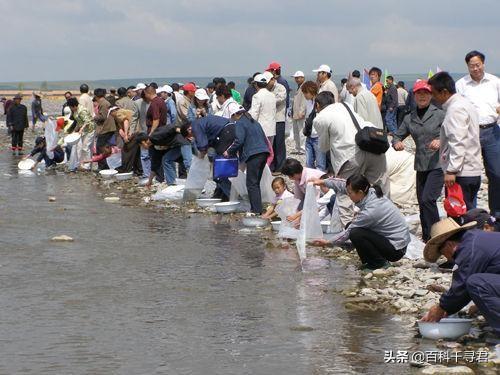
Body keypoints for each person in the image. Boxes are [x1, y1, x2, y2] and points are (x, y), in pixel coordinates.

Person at [313, 91, 388, 227]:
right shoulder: (346, 105)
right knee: (377, 190)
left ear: (317, 105)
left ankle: (350, 232)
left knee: (346, 193)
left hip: (350, 155)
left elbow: (323, 147)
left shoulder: (320, 118)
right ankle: (383, 225)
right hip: (374, 147)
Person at [421, 218, 500, 340]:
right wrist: (481, 304)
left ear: (449, 245)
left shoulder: (469, 249)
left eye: (443, 253)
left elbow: (462, 286)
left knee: (476, 283)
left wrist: (441, 308)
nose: (447, 258)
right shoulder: (475, 239)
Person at [312, 174, 410, 270]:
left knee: (355, 232)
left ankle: (379, 263)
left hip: (396, 249)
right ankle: (369, 262)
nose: (348, 195)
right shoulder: (370, 191)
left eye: (350, 193)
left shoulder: (371, 210)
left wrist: (328, 242)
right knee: (351, 227)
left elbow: (349, 232)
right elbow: (342, 184)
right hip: (390, 240)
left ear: (359, 192)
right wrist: (322, 182)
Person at [392, 80, 445, 242]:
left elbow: (453, 134)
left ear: (431, 95)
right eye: (419, 93)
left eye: (425, 93)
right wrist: (397, 143)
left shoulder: (440, 114)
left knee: (429, 199)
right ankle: (427, 236)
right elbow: (397, 135)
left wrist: (440, 140)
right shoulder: (410, 117)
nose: (422, 96)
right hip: (421, 165)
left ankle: (439, 236)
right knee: (422, 202)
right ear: (414, 95)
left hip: (438, 164)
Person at [428, 72, 482, 210]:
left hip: (461, 173)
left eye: (434, 93)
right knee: (470, 213)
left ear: (444, 92)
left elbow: (458, 141)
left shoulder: (455, 109)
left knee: (459, 216)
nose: (433, 97)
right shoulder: (465, 103)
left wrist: (452, 170)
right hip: (471, 169)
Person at [456, 50, 500, 218]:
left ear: (483, 64)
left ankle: (496, 213)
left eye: (478, 65)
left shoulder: (495, 82)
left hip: (492, 131)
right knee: (469, 176)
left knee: (496, 173)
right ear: (467, 66)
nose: (475, 69)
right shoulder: (461, 84)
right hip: (470, 133)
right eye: (471, 66)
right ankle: (472, 216)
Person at [224, 103, 270, 213]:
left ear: (235, 114)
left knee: (251, 184)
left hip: (254, 155)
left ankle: (256, 211)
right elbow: (264, 139)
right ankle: (257, 208)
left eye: (232, 116)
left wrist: (229, 151)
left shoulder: (240, 123)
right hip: (263, 153)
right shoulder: (254, 122)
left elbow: (239, 140)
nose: (232, 119)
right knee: (255, 183)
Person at [301, 81, 327, 171]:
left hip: (318, 136)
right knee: (309, 163)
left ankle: (321, 182)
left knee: (320, 163)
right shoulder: (308, 102)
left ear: (311, 91)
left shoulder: (319, 102)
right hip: (309, 135)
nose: (305, 95)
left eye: (305, 93)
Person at [266, 71, 287, 174]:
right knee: (271, 144)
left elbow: (280, 99)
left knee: (279, 143)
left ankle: (280, 167)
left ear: (273, 79)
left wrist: (268, 99)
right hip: (270, 120)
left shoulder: (280, 88)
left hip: (279, 119)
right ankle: (272, 166)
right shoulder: (266, 89)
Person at [109, 107, 142, 174]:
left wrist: (126, 134)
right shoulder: (116, 117)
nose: (110, 115)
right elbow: (120, 129)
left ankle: (126, 168)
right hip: (136, 132)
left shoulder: (118, 114)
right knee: (135, 152)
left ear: (113, 111)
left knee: (127, 150)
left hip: (133, 132)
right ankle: (138, 170)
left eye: (110, 113)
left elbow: (125, 121)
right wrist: (123, 135)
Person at [67, 97, 95, 170]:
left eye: (70, 107)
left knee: (85, 147)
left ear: (73, 105)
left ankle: (87, 166)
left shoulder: (82, 110)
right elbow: (79, 122)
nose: (70, 109)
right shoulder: (75, 111)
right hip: (84, 131)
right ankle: (84, 164)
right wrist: (75, 131)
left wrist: (81, 129)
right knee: (84, 147)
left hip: (90, 130)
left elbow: (87, 121)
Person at [248, 73, 277, 140]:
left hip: (261, 128)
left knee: (261, 149)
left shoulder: (256, 96)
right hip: (271, 128)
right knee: (270, 149)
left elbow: (254, 115)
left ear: (256, 84)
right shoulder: (272, 95)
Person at [291, 70, 306, 154]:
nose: (296, 79)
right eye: (295, 78)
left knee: (301, 131)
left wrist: (302, 112)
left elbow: (304, 101)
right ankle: (298, 147)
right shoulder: (299, 86)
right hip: (295, 113)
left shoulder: (304, 87)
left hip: (300, 113)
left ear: (302, 78)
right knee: (296, 131)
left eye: (298, 78)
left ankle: (302, 148)